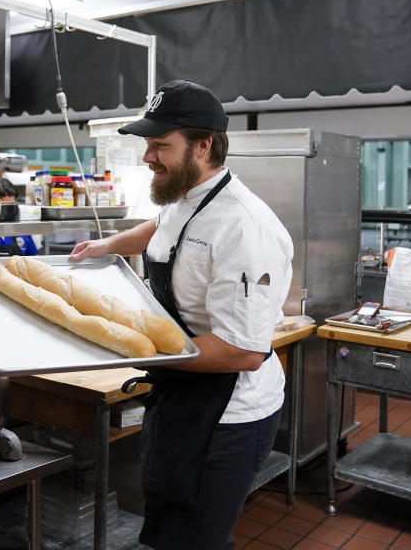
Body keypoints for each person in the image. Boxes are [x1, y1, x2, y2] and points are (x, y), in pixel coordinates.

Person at [69, 79, 294, 550]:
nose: (147, 157)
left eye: (159, 146)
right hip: (181, 392)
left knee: (198, 538)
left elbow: (242, 351)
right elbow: (161, 228)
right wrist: (106, 246)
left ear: (203, 145)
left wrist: (128, 351)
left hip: (228, 414)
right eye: (148, 145)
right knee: (173, 524)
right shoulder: (187, 195)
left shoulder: (244, 228)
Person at [0, 176, 38, 256]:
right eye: (3, 206)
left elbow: (34, 259)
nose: (7, 211)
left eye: (11, 205)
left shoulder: (21, 229)